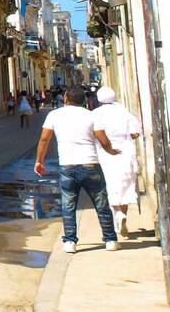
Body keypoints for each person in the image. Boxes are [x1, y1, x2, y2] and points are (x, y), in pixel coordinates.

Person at [34, 87, 121, 253]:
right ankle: (110, 240)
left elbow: (44, 140)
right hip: (91, 165)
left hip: (67, 166)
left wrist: (39, 161)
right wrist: (111, 151)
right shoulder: (91, 115)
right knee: (101, 203)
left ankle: (70, 242)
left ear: (65, 98)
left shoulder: (54, 115)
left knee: (68, 205)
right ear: (84, 101)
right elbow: (103, 140)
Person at [91, 86, 143, 237]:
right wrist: (125, 137)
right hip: (126, 151)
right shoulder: (124, 112)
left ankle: (118, 215)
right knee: (125, 185)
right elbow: (135, 133)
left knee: (110, 184)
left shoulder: (95, 114)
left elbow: (93, 134)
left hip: (105, 152)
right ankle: (123, 213)